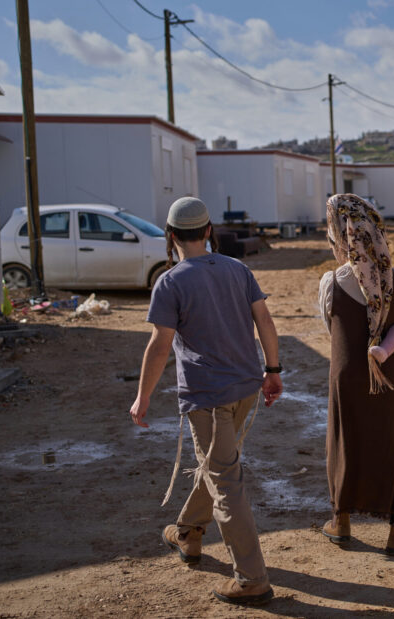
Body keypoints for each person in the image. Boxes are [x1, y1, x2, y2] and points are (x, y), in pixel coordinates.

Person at [129, 196, 283, 607]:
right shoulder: (238, 269)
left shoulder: (171, 280)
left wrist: (143, 396)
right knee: (220, 464)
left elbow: (160, 344)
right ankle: (188, 532)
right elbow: (264, 321)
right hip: (245, 389)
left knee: (226, 482)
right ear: (209, 231)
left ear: (171, 235)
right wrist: (273, 370)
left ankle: (252, 579)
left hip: (207, 397)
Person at [318, 193, 394, 555]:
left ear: (341, 235)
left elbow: (332, 325)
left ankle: (341, 521)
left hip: (347, 375)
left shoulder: (331, 281)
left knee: (345, 442)